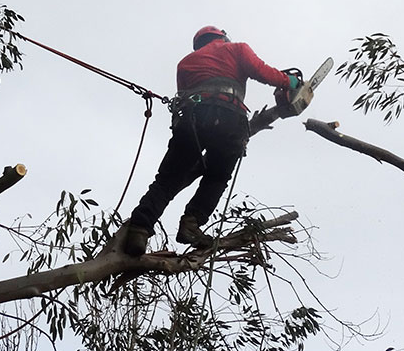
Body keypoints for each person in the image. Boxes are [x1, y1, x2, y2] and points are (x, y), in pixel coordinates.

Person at [120, 26, 300, 256]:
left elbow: (183, 96)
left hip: (193, 119)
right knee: (217, 176)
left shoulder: (185, 63)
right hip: (230, 119)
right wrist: (289, 82)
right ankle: (191, 224)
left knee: (168, 179)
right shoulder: (237, 49)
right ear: (222, 37)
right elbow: (262, 72)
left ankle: (139, 229)